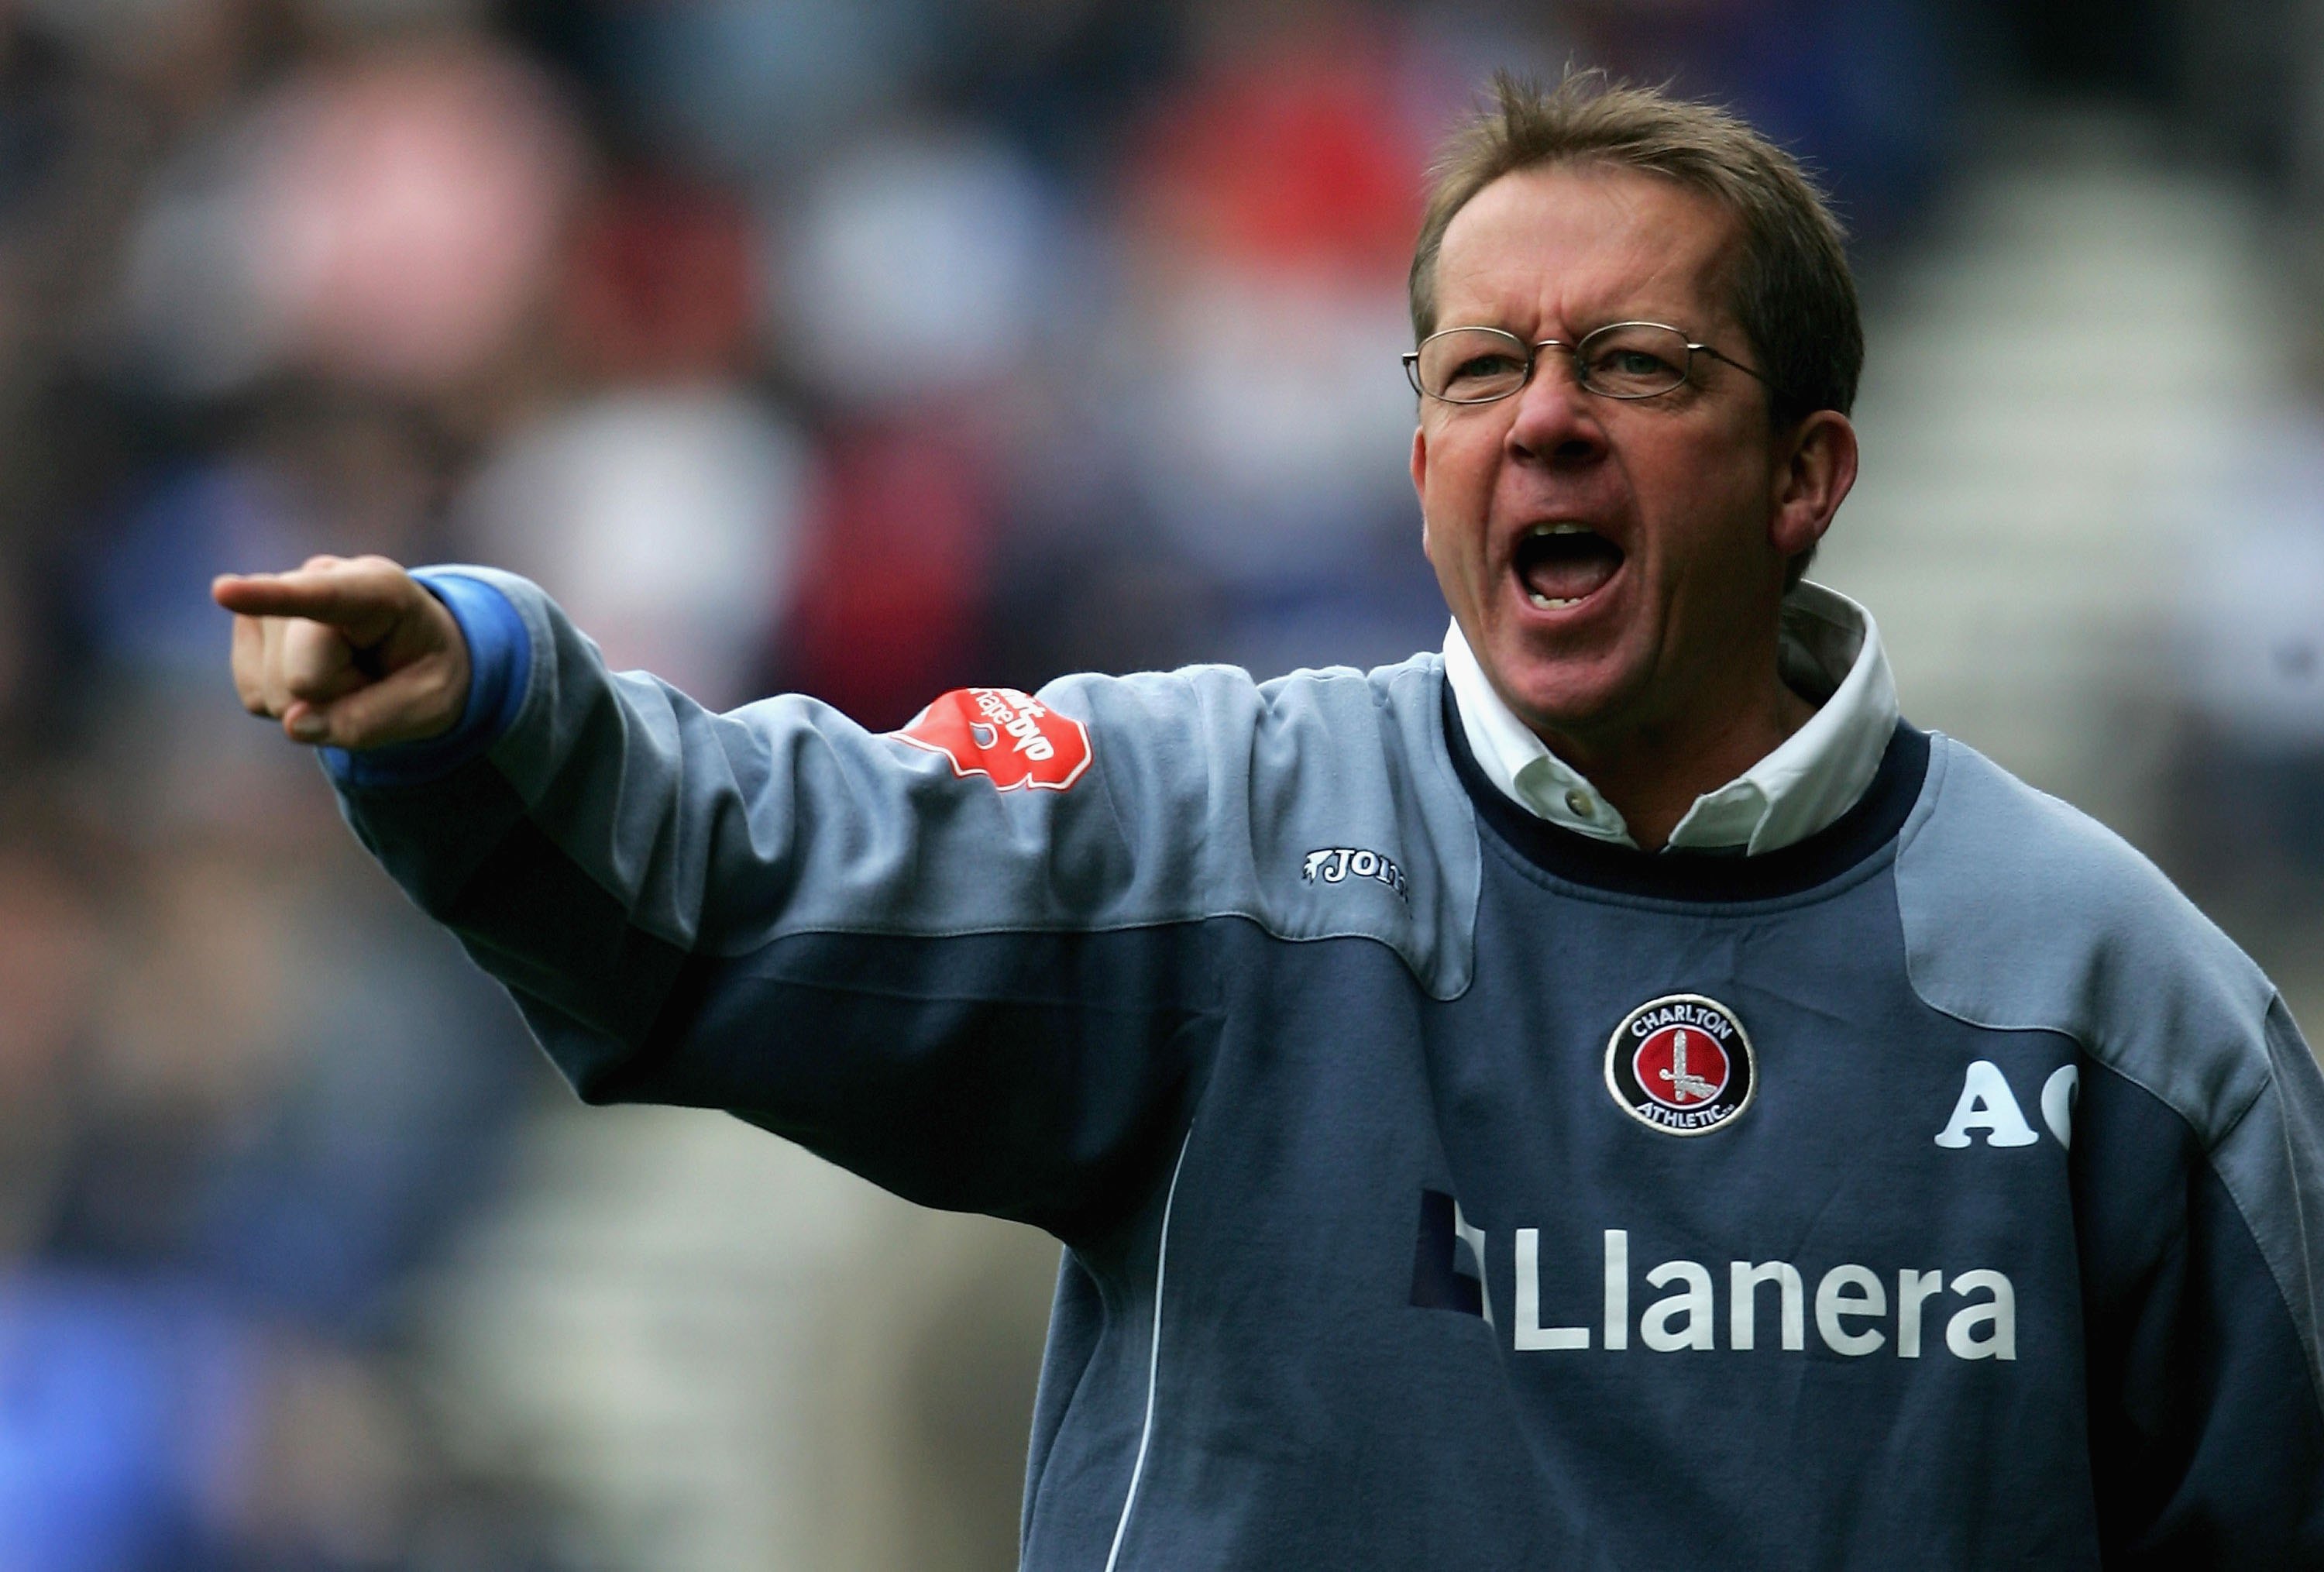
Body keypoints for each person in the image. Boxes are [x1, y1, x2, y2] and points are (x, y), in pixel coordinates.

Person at [213, 74, 2324, 1570]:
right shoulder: (1210, 835)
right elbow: (758, 857)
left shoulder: (2122, 1006)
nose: (1547, 416)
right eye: (1480, 370)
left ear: (1809, 476)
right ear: (1418, 464)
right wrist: (490, 698)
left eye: (1641, 366)